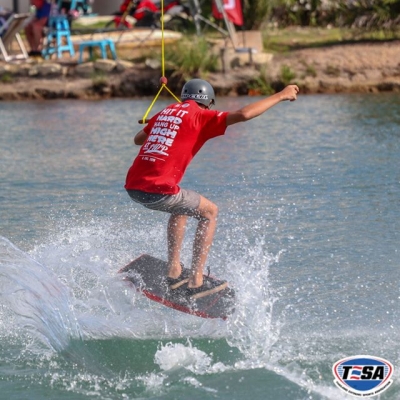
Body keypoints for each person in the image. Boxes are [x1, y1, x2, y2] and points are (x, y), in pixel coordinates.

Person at [125, 79, 299, 299]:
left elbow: (138, 139)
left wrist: (160, 125)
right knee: (210, 212)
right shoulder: (201, 116)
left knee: (182, 205)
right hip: (157, 190)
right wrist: (281, 95)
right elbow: (244, 114)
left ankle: (174, 270)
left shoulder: (166, 112)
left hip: (133, 187)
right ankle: (196, 279)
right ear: (208, 103)